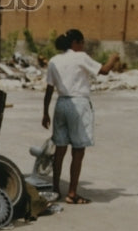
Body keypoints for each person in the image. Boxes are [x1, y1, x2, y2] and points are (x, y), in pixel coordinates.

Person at [41, 28, 120, 204]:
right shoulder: (80, 57)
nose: (83, 46)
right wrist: (113, 59)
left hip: (61, 104)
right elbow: (104, 70)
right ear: (75, 43)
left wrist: (45, 112)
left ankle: (55, 189)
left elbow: (49, 88)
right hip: (78, 103)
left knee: (60, 150)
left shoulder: (54, 60)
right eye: (82, 42)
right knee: (78, 150)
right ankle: (72, 193)